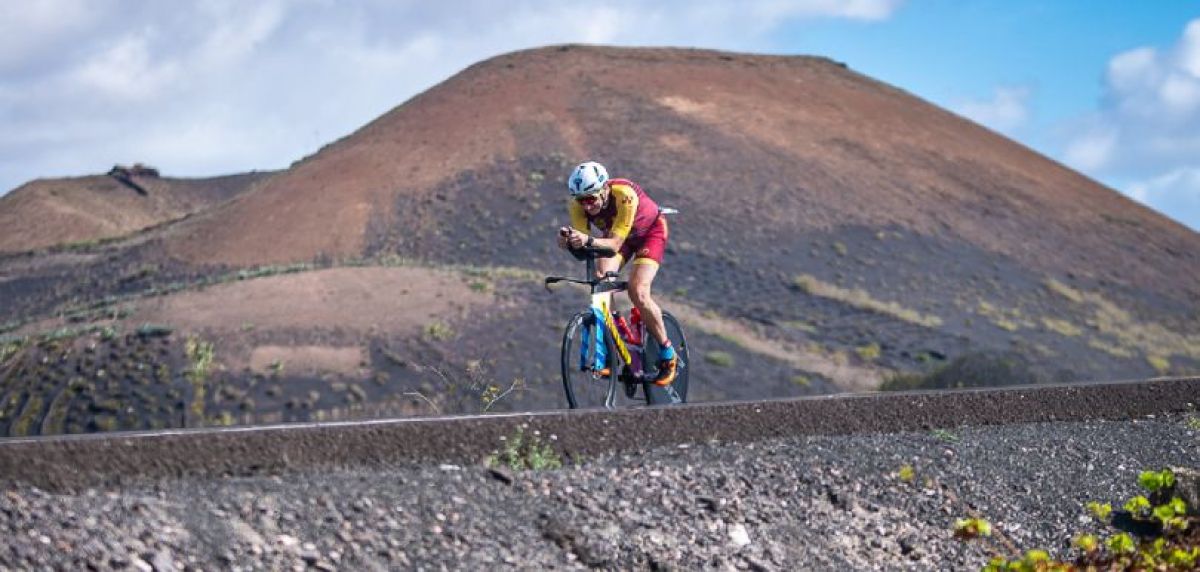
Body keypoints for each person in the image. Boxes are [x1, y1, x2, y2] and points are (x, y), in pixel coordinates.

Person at [556, 161, 677, 387]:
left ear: (605, 189)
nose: (587, 206)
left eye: (591, 198)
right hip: (617, 237)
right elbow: (584, 243)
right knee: (601, 277)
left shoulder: (624, 195)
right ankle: (619, 339)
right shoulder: (577, 205)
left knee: (637, 290)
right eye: (582, 200)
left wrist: (587, 240)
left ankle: (667, 352)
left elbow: (613, 245)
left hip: (649, 233)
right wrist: (568, 242)